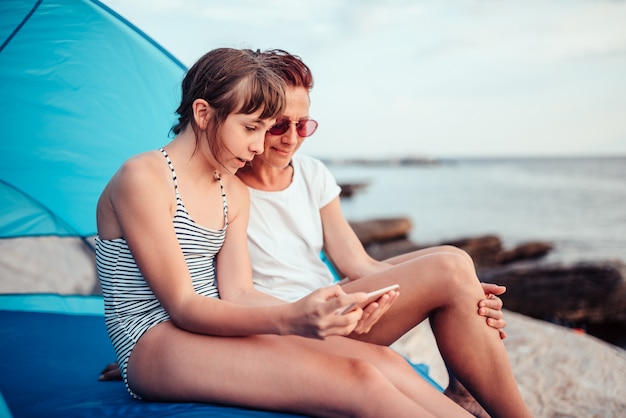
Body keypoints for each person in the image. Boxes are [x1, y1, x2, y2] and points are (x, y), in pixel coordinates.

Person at [95, 46, 488, 417]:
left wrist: (329, 306)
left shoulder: (230, 188)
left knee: (384, 362)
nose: (257, 145)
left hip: (213, 326)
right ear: (203, 113)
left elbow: (239, 293)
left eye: (265, 130)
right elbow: (182, 306)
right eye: (250, 128)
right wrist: (292, 319)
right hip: (153, 341)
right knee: (360, 382)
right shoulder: (144, 178)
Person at [234, 49, 532, 418]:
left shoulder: (311, 173)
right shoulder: (228, 187)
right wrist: (444, 281)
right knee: (449, 270)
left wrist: (461, 287)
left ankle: (464, 392)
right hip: (291, 324)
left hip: (333, 307)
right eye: (279, 125)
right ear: (257, 119)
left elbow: (357, 262)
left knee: (457, 260)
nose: (292, 139)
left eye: (304, 125)